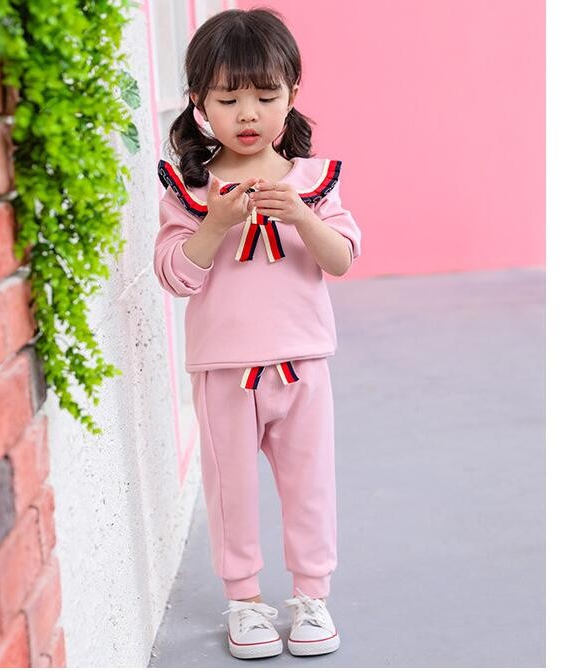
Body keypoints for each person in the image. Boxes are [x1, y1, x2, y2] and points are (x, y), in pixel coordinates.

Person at [152, 6, 362, 661]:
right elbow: (175, 276)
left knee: (310, 486)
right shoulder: (189, 190)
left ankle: (312, 596)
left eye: (266, 97)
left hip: (302, 366)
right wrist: (214, 226)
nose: (248, 114)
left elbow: (340, 259)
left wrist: (302, 216)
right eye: (228, 99)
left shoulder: (313, 182)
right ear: (198, 104)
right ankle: (243, 601)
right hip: (224, 371)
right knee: (231, 492)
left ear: (292, 95)